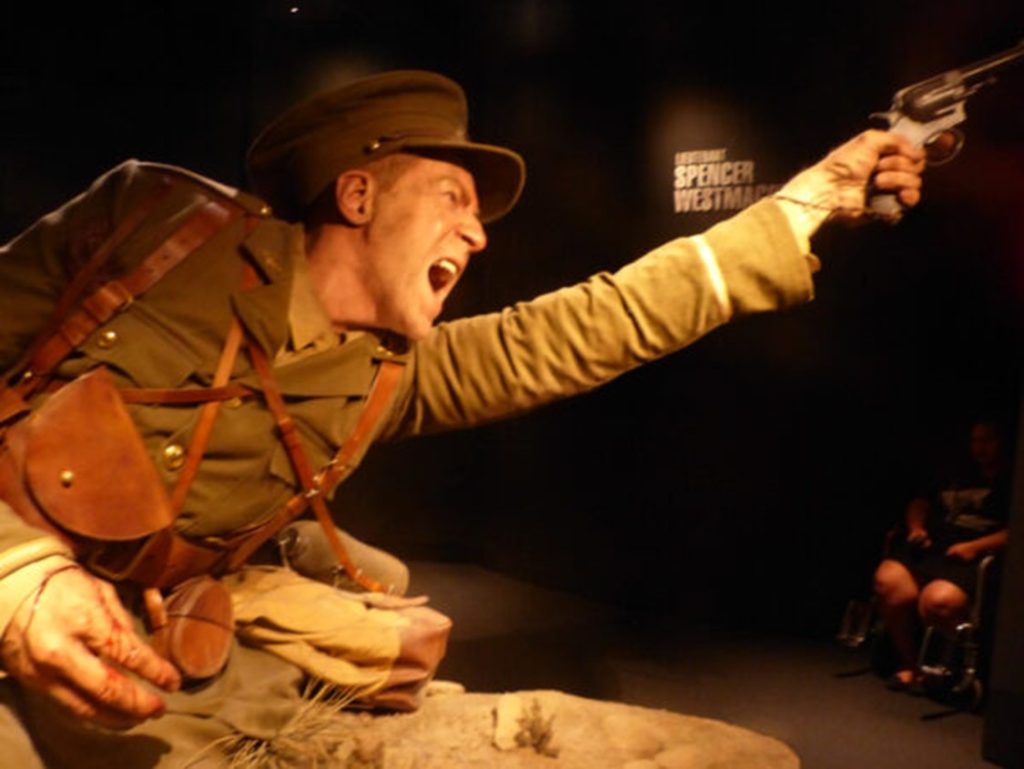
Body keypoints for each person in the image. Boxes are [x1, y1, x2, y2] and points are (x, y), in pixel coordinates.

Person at [0, 69, 925, 766]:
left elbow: (587, 323)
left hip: (182, 680)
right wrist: (19, 575)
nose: (479, 236)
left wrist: (806, 206)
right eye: (453, 199)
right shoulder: (153, 231)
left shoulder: (382, 375)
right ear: (357, 196)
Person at [873, 417, 1012, 691]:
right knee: (889, 582)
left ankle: (949, 671)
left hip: (973, 555)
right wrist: (916, 528)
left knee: (937, 600)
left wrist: (976, 547)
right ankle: (910, 665)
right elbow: (921, 502)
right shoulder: (957, 471)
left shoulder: (1011, 479)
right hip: (932, 546)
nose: (980, 447)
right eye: (976, 440)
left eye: (987, 441)